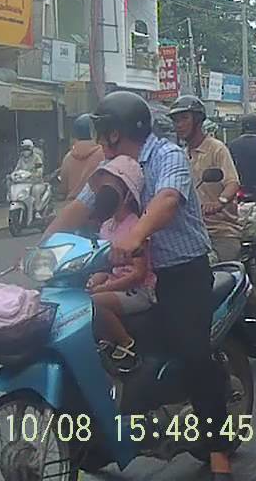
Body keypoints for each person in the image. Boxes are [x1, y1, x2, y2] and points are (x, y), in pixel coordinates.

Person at [41, 91, 237, 479]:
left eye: (102, 131)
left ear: (116, 133)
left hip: (182, 272)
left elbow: (167, 199)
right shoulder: (113, 166)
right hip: (133, 275)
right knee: (89, 338)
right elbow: (80, 206)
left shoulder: (167, 156)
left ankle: (218, 449)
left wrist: (136, 234)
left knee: (193, 353)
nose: (98, 139)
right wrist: (41, 246)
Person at [170, 96, 256, 367]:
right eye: (175, 120)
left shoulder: (216, 148)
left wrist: (220, 202)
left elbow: (232, 183)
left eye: (184, 118)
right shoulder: (177, 154)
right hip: (188, 233)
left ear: (198, 120)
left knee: (232, 277)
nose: (179, 125)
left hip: (220, 229)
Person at [84, 156, 155, 372]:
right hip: (116, 283)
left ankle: (126, 344)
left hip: (139, 290)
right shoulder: (106, 226)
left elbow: (138, 274)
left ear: (127, 194)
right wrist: (96, 279)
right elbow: (105, 264)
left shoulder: (136, 226)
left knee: (95, 302)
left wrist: (104, 288)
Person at [60, 114, 104, 201]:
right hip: (96, 205)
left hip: (73, 205)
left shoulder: (68, 157)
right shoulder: (103, 154)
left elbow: (63, 189)